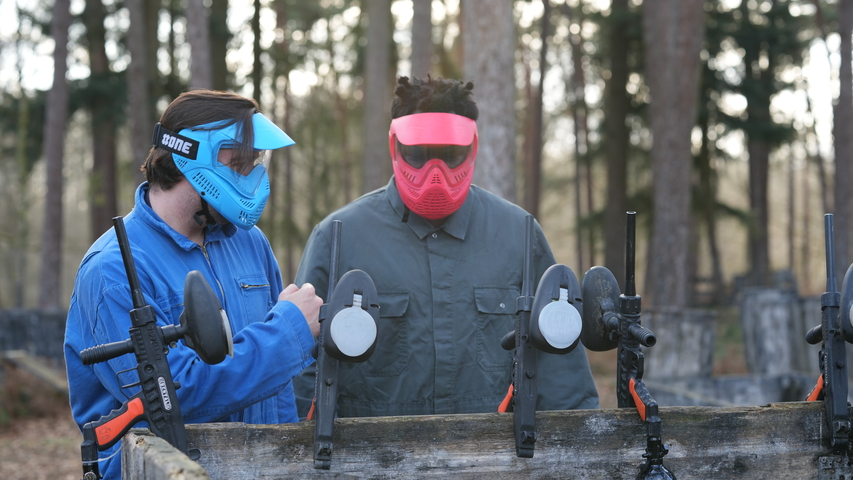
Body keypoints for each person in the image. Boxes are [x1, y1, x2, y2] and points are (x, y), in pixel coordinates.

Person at [293, 76, 598, 418]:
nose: (434, 174)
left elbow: (561, 369)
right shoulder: (339, 238)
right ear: (395, 147)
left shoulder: (519, 235)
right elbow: (300, 372)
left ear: (472, 148)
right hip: (374, 460)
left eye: (450, 156)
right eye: (419, 155)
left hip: (492, 459)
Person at [64, 89, 322, 479]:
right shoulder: (113, 270)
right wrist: (289, 334)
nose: (252, 174)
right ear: (190, 156)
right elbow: (172, 397)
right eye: (239, 161)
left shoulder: (248, 242)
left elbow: (278, 389)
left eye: (254, 162)